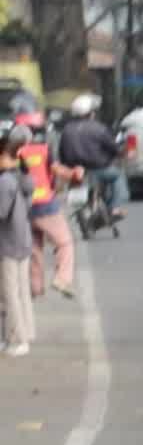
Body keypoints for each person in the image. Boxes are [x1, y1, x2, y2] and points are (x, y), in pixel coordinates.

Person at [22, 128, 78, 300]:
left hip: (25, 207)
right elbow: (58, 170)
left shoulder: (16, 151)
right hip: (46, 204)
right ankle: (62, 279)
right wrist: (74, 173)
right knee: (64, 243)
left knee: (35, 248)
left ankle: (35, 286)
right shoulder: (43, 149)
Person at [56, 92, 129, 218]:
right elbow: (113, 147)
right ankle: (115, 208)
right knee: (118, 176)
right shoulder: (99, 128)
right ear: (91, 113)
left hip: (74, 171)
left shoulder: (66, 130)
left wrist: (67, 169)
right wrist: (120, 152)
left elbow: (61, 153)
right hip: (98, 169)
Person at [1, 127, 37, 356]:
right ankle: (24, 333)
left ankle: (18, 339)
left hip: (7, 243)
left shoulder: (5, 181)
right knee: (21, 291)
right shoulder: (23, 176)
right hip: (22, 239)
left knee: (8, 293)